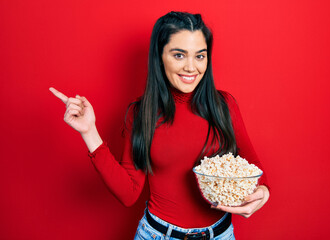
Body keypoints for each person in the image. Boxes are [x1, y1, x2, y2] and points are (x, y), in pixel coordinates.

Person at [50, 11, 269, 240]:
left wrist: (262, 192)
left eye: (200, 56)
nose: (191, 67)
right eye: (179, 55)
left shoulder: (224, 105)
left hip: (220, 235)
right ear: (160, 56)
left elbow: (253, 168)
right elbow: (129, 193)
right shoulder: (142, 113)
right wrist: (89, 131)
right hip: (158, 235)